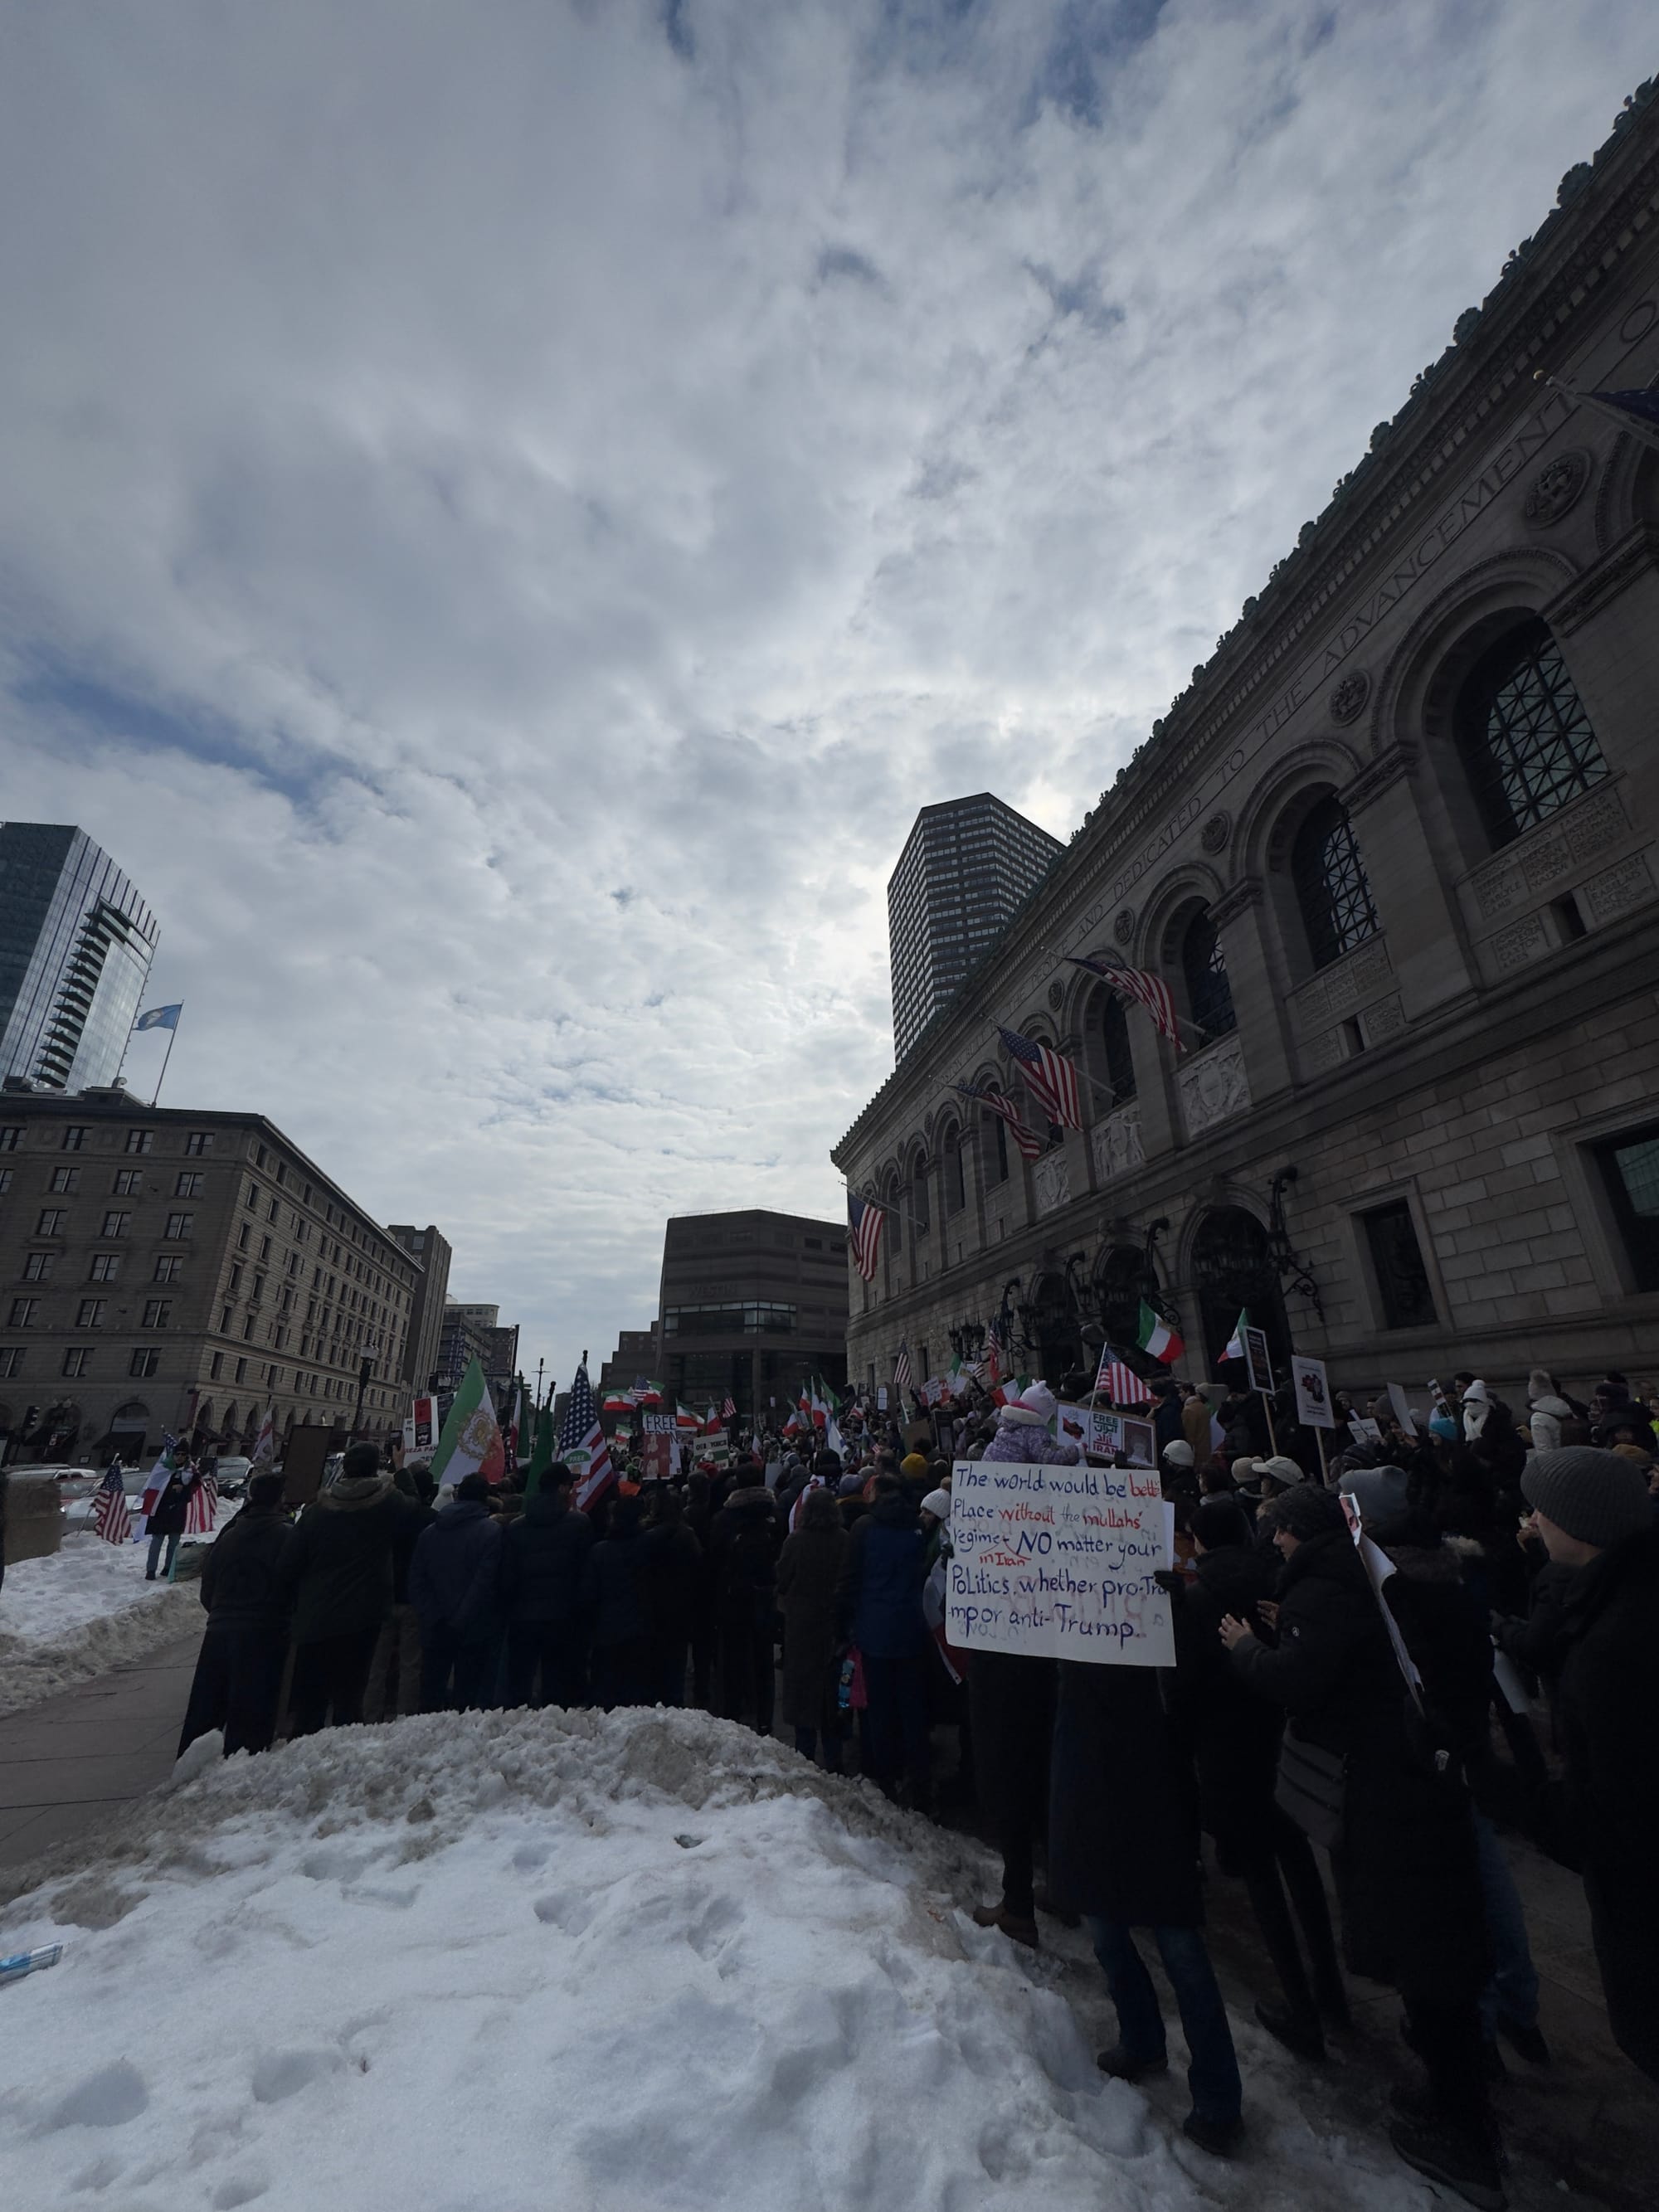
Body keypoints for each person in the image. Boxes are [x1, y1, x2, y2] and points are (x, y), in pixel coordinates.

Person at [1221, 1484, 1502, 2209]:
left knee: (1429, 1959)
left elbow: (1300, 1679)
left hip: (1391, 1796)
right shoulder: (1365, 1584)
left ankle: (1466, 2127)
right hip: (1412, 1790)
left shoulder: (1342, 1589)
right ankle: (1453, 2078)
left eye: (1274, 1531)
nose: (1270, 1542)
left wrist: (1251, 1647)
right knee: (1435, 1954)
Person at [1166, 1494, 1345, 2059]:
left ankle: (1300, 2006)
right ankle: (1331, 1989)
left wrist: (1180, 1736)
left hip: (1228, 1749)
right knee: (1299, 1863)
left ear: (1200, 1539)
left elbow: (1184, 1685)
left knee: (1264, 1878)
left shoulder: (1199, 1598)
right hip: (1280, 1737)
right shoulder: (1277, 1573)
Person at [1049, 1658, 1244, 2157]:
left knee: (1178, 1942)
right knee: (1103, 1927)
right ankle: (1140, 2039)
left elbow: (1188, 1688)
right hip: (1086, 1760)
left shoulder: (1165, 1597)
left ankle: (1219, 2100)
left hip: (1151, 1773)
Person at [1519, 1447, 1659, 2082]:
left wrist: (1503, 1792)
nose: (1532, 1518)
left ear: (1577, 1525)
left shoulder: (1612, 1647)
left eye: (1542, 1510)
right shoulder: (1618, 1596)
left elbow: (1610, 1810)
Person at [278, 1441, 412, 1734]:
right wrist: (401, 1469)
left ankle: (300, 1756)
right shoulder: (386, 1505)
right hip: (364, 1615)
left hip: (317, 1617)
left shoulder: (316, 1511)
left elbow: (288, 1565)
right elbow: (414, 1506)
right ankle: (343, 1751)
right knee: (350, 1694)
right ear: (375, 1468)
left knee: (311, 1700)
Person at [176, 1471, 292, 1757]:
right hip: (263, 1631)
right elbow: (292, 1582)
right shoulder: (287, 1535)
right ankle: (243, 1764)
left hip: (219, 1629)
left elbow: (208, 1585)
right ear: (280, 1499)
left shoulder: (229, 1535)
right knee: (252, 1709)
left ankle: (191, 1768)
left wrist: (221, 1612)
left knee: (206, 1708)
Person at [838, 1471, 931, 1807]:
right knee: (912, 1709)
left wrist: (848, 1625)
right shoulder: (918, 1528)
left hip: (874, 1631)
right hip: (911, 1630)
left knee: (878, 1709)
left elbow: (848, 1581)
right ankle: (919, 1781)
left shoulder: (864, 1528)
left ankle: (885, 1779)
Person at [407, 1472, 505, 1711]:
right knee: (467, 1695)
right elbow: (484, 1582)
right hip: (473, 1626)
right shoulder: (492, 1532)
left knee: (431, 1691)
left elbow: (417, 1580)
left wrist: (433, 1615)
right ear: (485, 1498)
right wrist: (460, 1618)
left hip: (436, 1625)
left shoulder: (430, 1532)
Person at [501, 1466, 595, 1707]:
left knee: (521, 1682)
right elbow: (585, 1575)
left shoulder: (516, 1528)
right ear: (562, 1488)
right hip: (564, 1616)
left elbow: (508, 1577)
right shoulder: (579, 1524)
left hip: (524, 1616)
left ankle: (517, 1725)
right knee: (558, 1684)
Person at [776, 1484, 849, 1771]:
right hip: (835, 1628)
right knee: (833, 1699)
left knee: (804, 1697)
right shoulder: (844, 1539)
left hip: (802, 1628)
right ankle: (835, 1762)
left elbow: (782, 1579)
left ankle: (803, 1761)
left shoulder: (796, 1541)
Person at [707, 1464, 782, 1733]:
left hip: (733, 1597)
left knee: (733, 1658)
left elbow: (713, 1561)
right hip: (764, 1595)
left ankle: (732, 1714)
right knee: (763, 1660)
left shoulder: (724, 1519)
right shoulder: (775, 1513)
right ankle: (765, 1717)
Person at [363, 1463, 435, 1722]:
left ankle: (370, 1714)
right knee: (410, 1663)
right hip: (412, 1598)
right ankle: (406, 1713)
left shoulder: (383, 1517)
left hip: (384, 1596)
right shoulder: (428, 1519)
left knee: (377, 1664)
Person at [582, 1493, 654, 1708]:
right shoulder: (650, 1545)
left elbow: (589, 1593)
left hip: (608, 1629)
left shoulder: (600, 1551)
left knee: (607, 1689)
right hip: (642, 1627)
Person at [641, 1485, 702, 1706]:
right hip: (680, 1609)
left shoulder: (644, 1536)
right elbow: (698, 1569)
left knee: (652, 1662)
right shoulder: (687, 1536)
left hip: (651, 1609)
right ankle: (673, 1705)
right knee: (675, 1663)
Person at [144, 1462, 198, 1580]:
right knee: (156, 1543)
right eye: (178, 1454)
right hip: (160, 1513)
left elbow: (189, 1495)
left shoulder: (188, 1474)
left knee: (174, 1543)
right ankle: (151, 1570)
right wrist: (170, 1489)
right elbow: (154, 1490)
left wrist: (184, 1487)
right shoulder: (162, 1470)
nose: (180, 1457)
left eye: (183, 1454)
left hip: (177, 1514)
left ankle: (168, 1568)